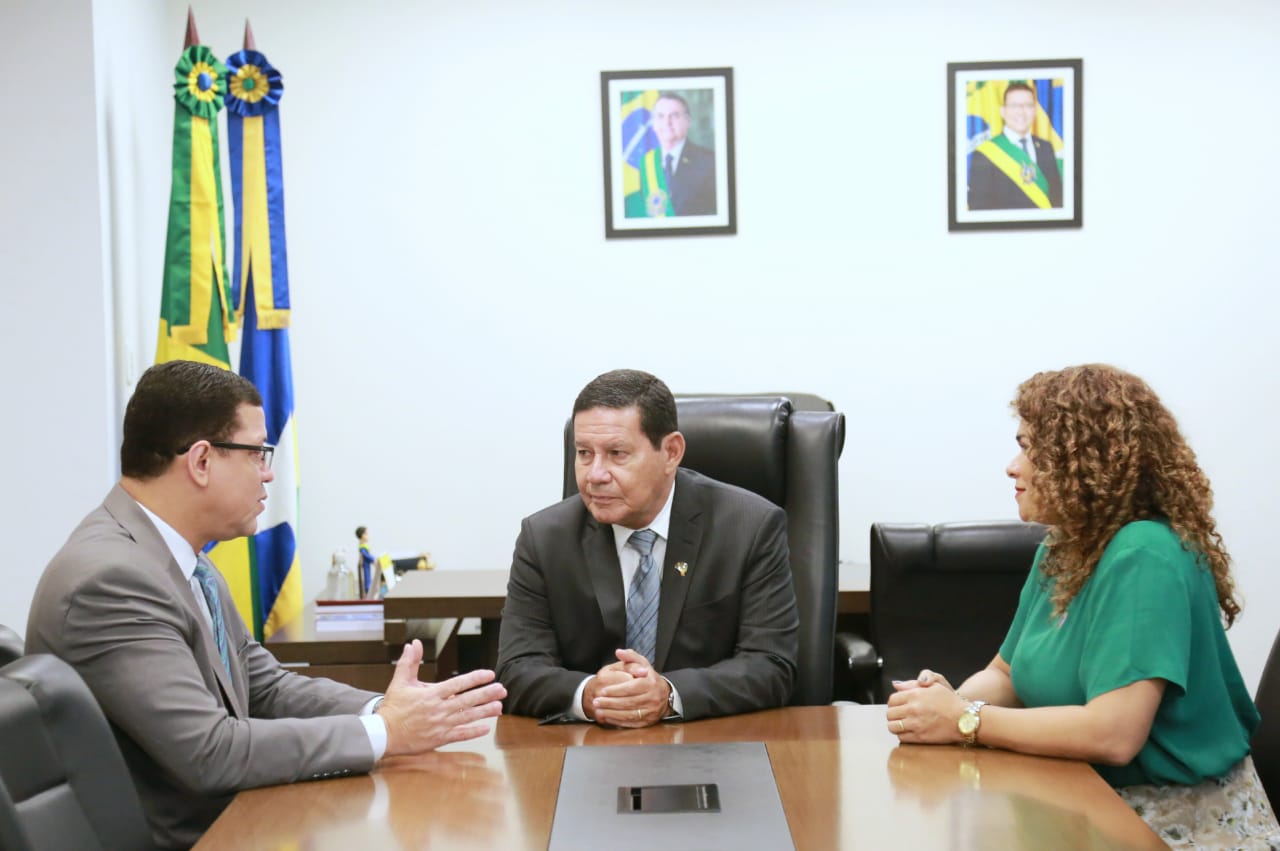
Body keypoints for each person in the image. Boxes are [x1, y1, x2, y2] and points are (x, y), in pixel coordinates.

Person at [26, 361, 507, 849]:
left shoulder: (182, 559)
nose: (269, 473)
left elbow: (263, 686)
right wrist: (383, 731)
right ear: (201, 461)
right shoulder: (113, 579)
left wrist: (388, 709)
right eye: (257, 453)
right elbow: (210, 752)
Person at [885, 364, 1279, 847]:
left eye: (1029, 449)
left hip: (1174, 821)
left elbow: (1113, 735)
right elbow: (1006, 675)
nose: (1013, 466)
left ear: (1084, 458)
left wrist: (966, 722)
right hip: (1088, 797)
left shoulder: (1144, 554)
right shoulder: (1064, 547)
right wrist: (952, 702)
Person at [496, 368, 798, 727]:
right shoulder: (545, 537)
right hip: (586, 744)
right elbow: (516, 669)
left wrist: (668, 694)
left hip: (708, 741)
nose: (595, 474)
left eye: (617, 453)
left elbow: (771, 665)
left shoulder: (749, 527)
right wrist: (589, 694)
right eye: (584, 453)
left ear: (671, 452)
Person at [967, 82, 1063, 210]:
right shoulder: (984, 154)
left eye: (1028, 105)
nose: (1021, 112)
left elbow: (1057, 199)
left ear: (1034, 111)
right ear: (1003, 112)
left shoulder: (1046, 148)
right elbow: (979, 209)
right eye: (1014, 106)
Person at [651, 93, 717, 216]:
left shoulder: (710, 162)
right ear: (654, 124)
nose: (667, 122)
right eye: (660, 116)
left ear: (688, 122)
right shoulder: (646, 164)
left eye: (674, 115)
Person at [356, 525, 377, 597]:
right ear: (362, 535)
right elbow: (365, 555)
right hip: (365, 564)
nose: (367, 536)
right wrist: (373, 559)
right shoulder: (362, 546)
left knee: (368, 575)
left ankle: (368, 588)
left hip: (367, 563)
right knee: (367, 576)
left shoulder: (364, 545)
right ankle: (367, 589)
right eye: (366, 534)